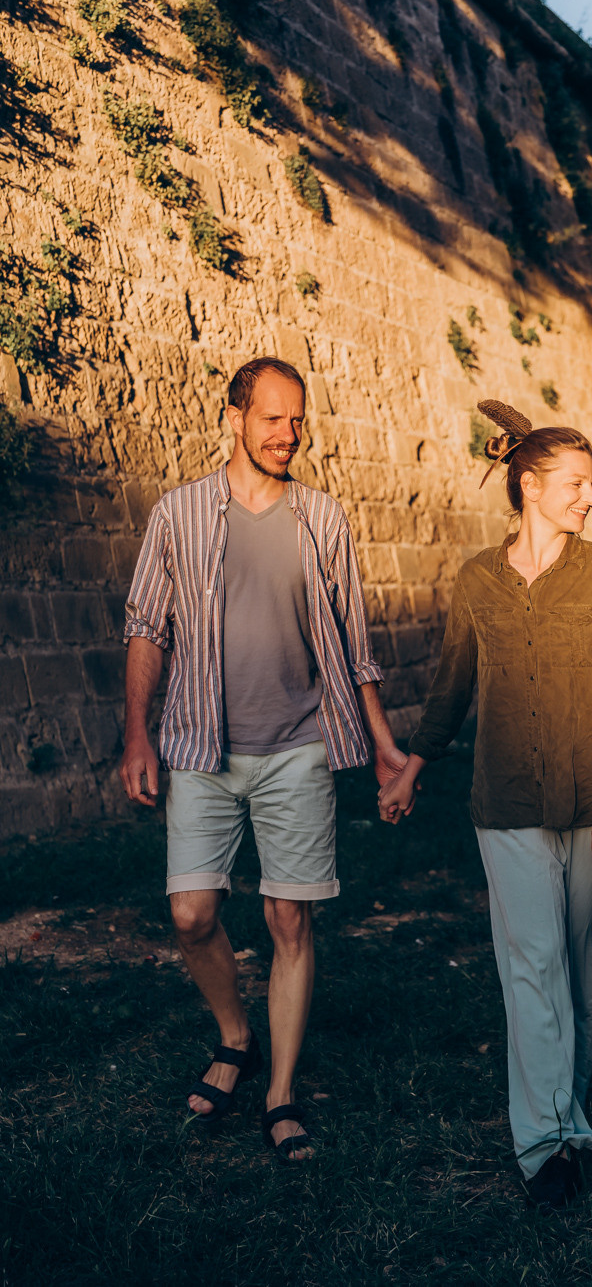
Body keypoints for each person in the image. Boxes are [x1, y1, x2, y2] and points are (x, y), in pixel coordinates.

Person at [119, 357, 405, 1163]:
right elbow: (147, 627)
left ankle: (279, 1092)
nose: (289, 434)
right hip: (200, 747)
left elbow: (356, 645)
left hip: (298, 749)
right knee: (191, 914)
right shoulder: (178, 515)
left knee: (289, 919)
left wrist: (383, 748)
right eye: (274, 418)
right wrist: (137, 734)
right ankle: (234, 1034)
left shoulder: (323, 519)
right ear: (236, 418)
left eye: (299, 420)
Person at [377, 399, 592, 1211]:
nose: (590, 497)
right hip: (505, 806)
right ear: (529, 486)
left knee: (581, 967)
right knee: (531, 969)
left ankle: (569, 1112)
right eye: (576, 482)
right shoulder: (476, 581)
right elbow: (452, 686)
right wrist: (413, 768)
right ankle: (546, 1145)